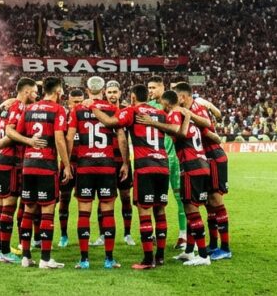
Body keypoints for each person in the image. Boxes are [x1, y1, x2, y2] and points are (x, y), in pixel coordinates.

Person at [90, 84, 170, 269]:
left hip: (145, 167)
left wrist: (93, 107)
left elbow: (111, 123)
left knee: (145, 212)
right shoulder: (159, 114)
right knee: (160, 211)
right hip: (163, 165)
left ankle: (148, 259)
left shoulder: (132, 111)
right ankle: (160, 257)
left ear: (132, 97)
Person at [138, 86, 212, 266]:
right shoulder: (188, 116)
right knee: (189, 209)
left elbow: (179, 132)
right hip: (201, 164)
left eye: (163, 104)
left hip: (191, 165)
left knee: (191, 210)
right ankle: (188, 251)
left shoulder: (174, 113)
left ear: (168, 103)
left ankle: (202, 255)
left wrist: (152, 122)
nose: (161, 108)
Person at [7, 76, 72, 269]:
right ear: (58, 91)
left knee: (28, 209)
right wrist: (66, 165)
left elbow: (14, 133)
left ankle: (26, 257)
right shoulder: (58, 109)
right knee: (47, 211)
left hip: (28, 165)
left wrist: (29, 142)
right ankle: (45, 259)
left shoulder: (28, 109)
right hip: (46, 166)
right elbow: (60, 139)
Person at [67, 79, 122, 269]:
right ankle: (109, 259)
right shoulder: (112, 108)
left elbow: (69, 137)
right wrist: (125, 163)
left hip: (85, 166)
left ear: (87, 90)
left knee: (84, 213)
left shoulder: (78, 109)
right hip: (107, 165)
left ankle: (84, 260)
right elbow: (121, 137)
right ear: (103, 90)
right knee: (108, 212)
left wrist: (67, 164)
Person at [0, 77, 38, 264]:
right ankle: (4, 252)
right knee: (9, 207)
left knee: (0, 206)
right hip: (11, 161)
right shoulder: (18, 107)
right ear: (26, 92)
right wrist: (27, 140)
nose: (36, 95)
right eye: (34, 92)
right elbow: (9, 133)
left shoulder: (7, 108)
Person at [189, 94, 232, 260]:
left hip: (213, 156)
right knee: (208, 203)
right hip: (205, 159)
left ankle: (225, 248)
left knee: (216, 202)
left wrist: (210, 133)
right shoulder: (198, 104)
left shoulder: (195, 108)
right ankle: (214, 244)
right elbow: (217, 114)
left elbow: (212, 133)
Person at [147, 76, 187, 249]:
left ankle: (183, 235)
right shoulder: (147, 107)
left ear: (163, 87)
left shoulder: (175, 106)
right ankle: (155, 233)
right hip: (156, 159)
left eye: (154, 87)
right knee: (154, 200)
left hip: (174, 159)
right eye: (148, 88)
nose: (150, 91)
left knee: (180, 197)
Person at [104, 80, 135, 246]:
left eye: (115, 91)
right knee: (104, 199)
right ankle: (103, 235)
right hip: (105, 161)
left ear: (120, 93)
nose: (112, 95)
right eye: (109, 92)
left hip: (123, 161)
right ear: (105, 93)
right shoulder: (101, 110)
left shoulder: (127, 111)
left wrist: (126, 162)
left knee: (126, 197)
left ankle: (127, 233)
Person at [58, 87, 85, 249]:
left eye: (81, 102)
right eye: (75, 102)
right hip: (67, 164)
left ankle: (88, 236)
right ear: (68, 101)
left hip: (84, 165)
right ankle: (63, 235)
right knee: (64, 200)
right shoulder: (63, 116)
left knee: (85, 202)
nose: (78, 105)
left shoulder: (87, 116)